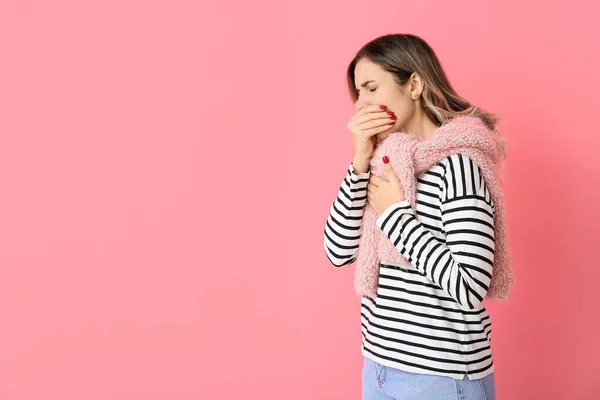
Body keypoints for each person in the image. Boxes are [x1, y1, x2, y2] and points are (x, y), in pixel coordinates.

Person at [324, 34, 503, 400]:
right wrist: (359, 161)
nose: (362, 105)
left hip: (442, 378)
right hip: (378, 368)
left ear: (415, 85)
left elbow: (470, 287)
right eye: (358, 94)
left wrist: (394, 214)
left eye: (372, 88)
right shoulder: (383, 164)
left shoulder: (460, 167)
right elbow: (337, 251)